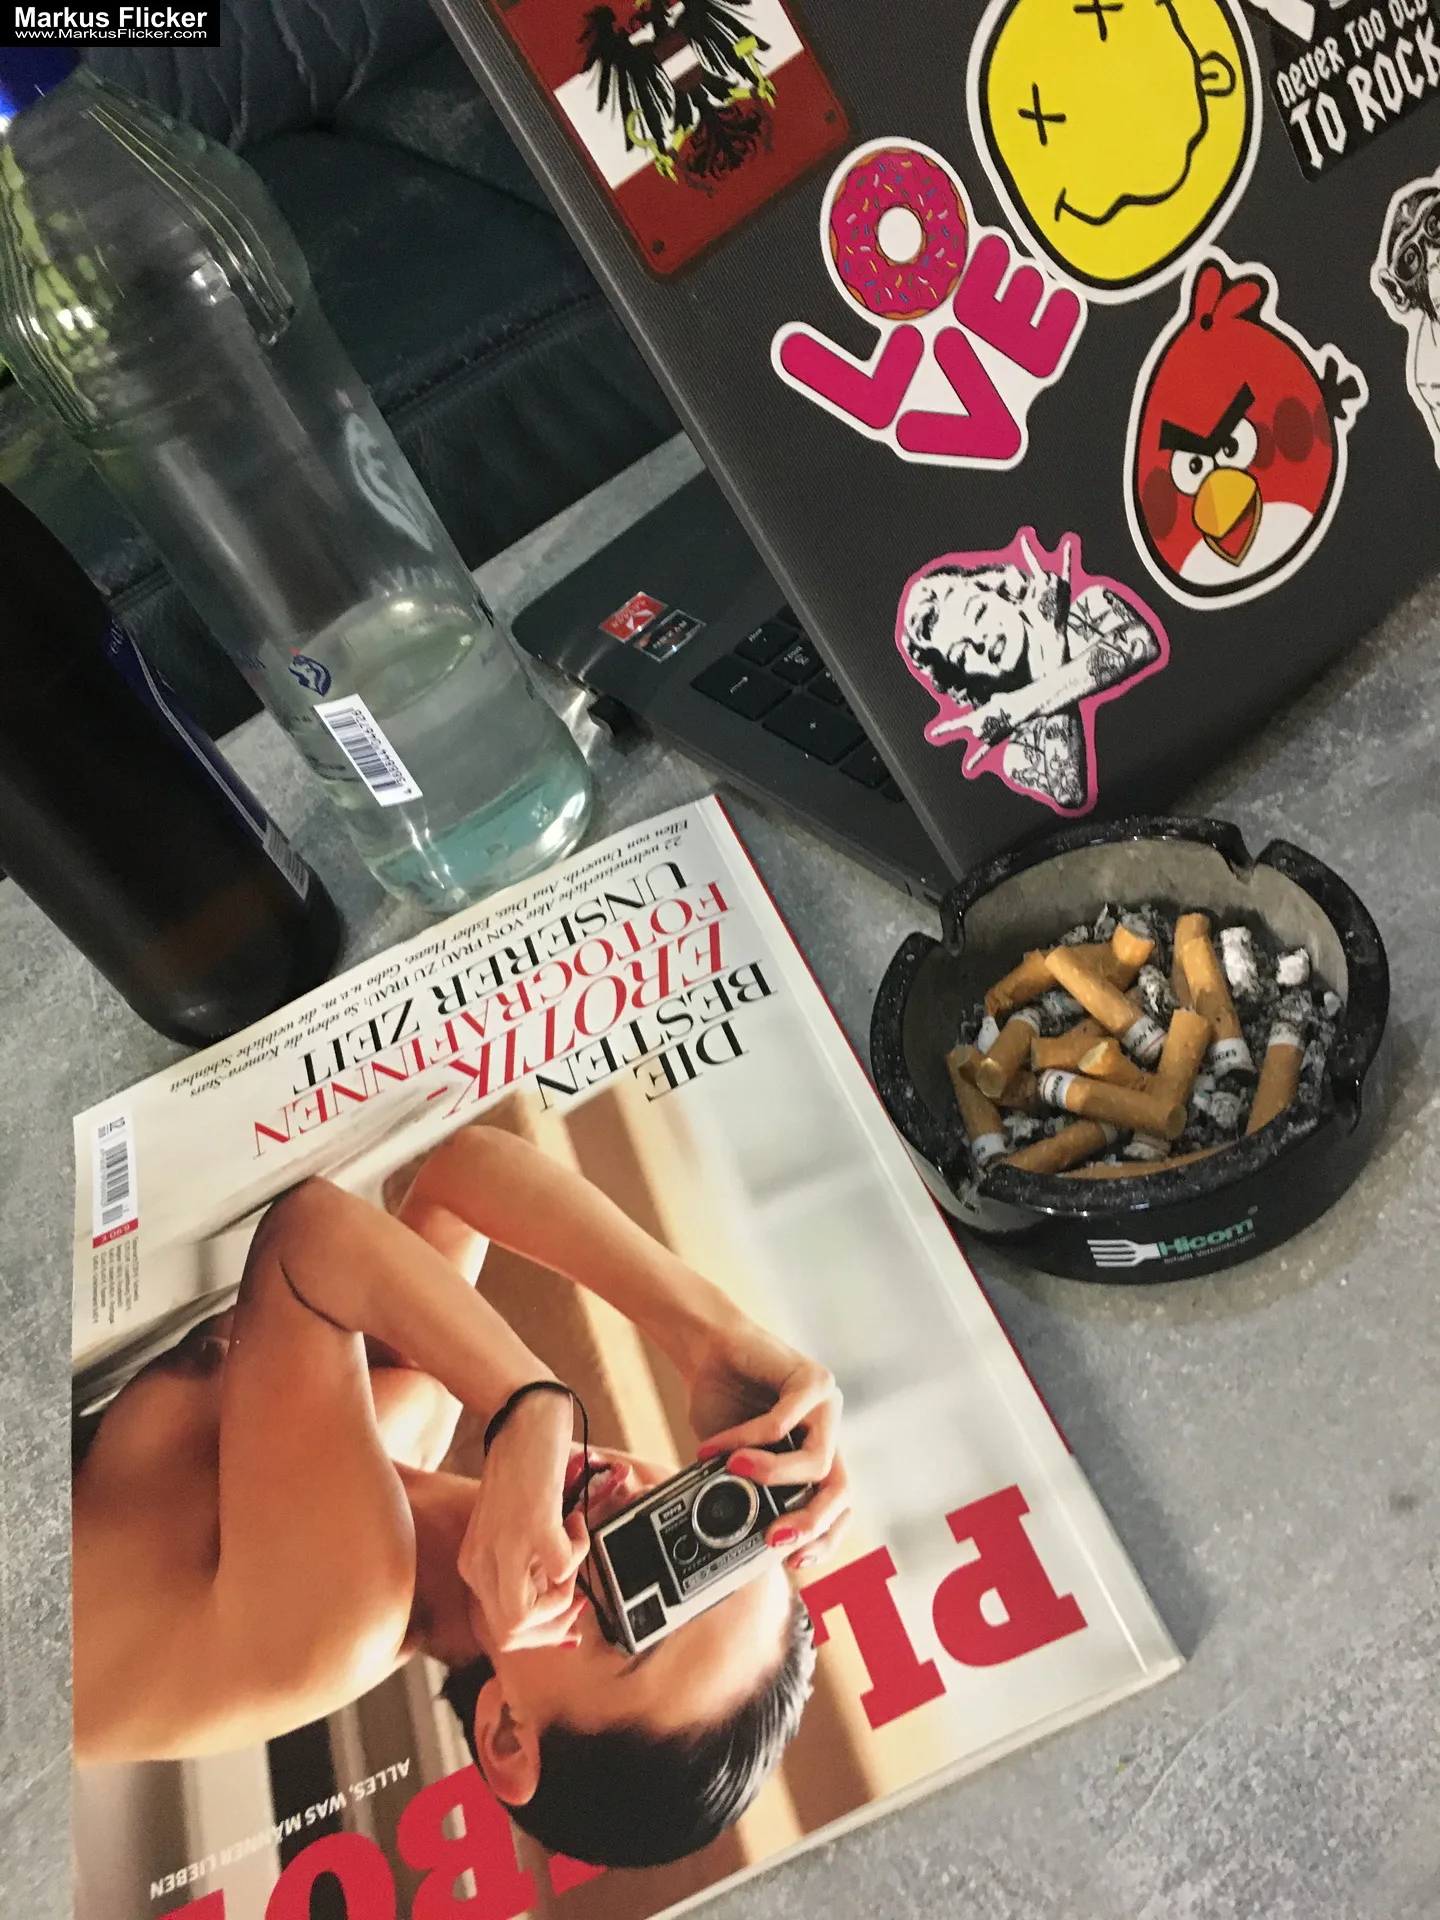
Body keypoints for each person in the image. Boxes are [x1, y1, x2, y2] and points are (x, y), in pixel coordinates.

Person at [72, 1123, 849, 1867]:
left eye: (632, 1612)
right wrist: (707, 1337)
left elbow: (305, 1239)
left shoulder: (350, 1617)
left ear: (508, 1731)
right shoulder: (414, 1419)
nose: (628, 1511)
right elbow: (461, 1177)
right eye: (689, 1535)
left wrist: (529, 1404)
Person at [897, 531, 1163, 811]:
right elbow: (1068, 791)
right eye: (962, 654)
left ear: (1004, 591)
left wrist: (1017, 707)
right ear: (965, 679)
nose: (980, 640)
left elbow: (1140, 642)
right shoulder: (1019, 755)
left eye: (979, 613)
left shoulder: (1092, 609)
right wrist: (1051, 647)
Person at [1374, 181, 1440, 463]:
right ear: (1399, 291)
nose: (1434, 258)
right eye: (1412, 259)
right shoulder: (1430, 375)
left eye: (1436, 226)